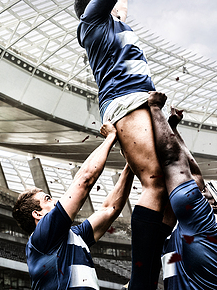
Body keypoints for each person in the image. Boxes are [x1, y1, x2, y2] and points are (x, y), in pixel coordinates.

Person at [75, 0, 167, 289]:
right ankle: (141, 283)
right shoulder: (92, 23)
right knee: (156, 182)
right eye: (111, 1)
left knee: (173, 187)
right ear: (96, 7)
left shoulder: (113, 24)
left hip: (142, 99)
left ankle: (156, 268)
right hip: (125, 101)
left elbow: (121, 11)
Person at [13, 120, 134, 290]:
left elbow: (109, 210)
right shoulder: (43, 236)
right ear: (37, 214)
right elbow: (84, 180)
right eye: (47, 199)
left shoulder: (73, 236)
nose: (55, 201)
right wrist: (111, 137)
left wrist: (131, 163)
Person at [146, 91, 217, 290]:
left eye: (206, 190)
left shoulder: (203, 221)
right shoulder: (214, 229)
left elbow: (173, 160)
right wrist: (173, 129)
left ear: (213, 203)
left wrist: (155, 109)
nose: (200, 190)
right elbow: (195, 175)